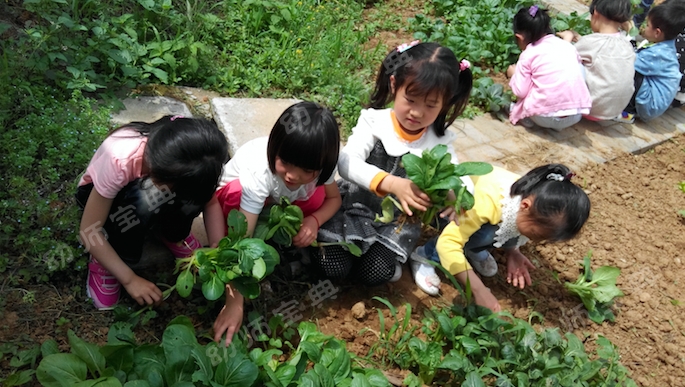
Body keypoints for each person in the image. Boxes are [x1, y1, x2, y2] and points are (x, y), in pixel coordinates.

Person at [315, 41, 474, 287]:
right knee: (332, 266)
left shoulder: (439, 142)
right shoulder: (374, 122)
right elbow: (345, 162)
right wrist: (391, 183)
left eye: (431, 105)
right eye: (410, 99)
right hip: (355, 208)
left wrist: (457, 196)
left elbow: (462, 179)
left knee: (374, 273)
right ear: (393, 85)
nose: (417, 113)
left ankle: (388, 261)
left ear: (446, 103)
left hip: (396, 225)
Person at [207, 101, 342, 346]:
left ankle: (278, 236)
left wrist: (313, 220)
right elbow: (242, 243)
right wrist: (234, 300)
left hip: (274, 204)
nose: (293, 176)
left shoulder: (320, 164)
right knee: (237, 196)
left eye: (307, 171)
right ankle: (277, 239)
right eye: (285, 163)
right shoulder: (260, 172)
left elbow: (334, 199)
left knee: (319, 195)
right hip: (235, 206)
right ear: (274, 148)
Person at [76, 115, 229, 311]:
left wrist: (217, 249)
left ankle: (171, 235)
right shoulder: (119, 159)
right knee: (145, 198)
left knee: (190, 194)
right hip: (107, 200)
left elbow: (210, 201)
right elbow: (88, 231)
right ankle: (108, 259)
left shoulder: (198, 157)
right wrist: (130, 280)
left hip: (162, 187)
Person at [411, 164, 591, 311]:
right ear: (525, 205)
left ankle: (473, 249)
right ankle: (425, 255)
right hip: (446, 209)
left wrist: (513, 251)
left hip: (483, 218)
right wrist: (479, 290)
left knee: (510, 228)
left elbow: (518, 226)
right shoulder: (488, 202)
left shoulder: (531, 198)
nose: (537, 241)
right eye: (537, 235)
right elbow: (448, 244)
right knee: (486, 233)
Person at [506, 5, 592, 130]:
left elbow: (521, 91)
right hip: (575, 116)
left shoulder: (528, 54)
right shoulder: (567, 46)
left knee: (529, 85)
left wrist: (514, 75)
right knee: (578, 67)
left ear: (519, 37)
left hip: (543, 117)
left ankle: (525, 116)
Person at [558, 0, 636, 121]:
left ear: (595, 13)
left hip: (591, 109)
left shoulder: (592, 42)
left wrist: (567, 40)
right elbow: (603, 50)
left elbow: (561, 58)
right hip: (614, 110)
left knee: (571, 64)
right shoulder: (627, 44)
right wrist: (581, 40)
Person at [615, 0, 685, 123]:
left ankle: (628, 113)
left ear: (657, 32)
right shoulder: (667, 46)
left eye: (647, 25)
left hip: (649, 105)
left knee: (631, 72)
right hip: (658, 100)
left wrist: (630, 33)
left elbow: (630, 60)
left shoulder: (660, 53)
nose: (644, 27)